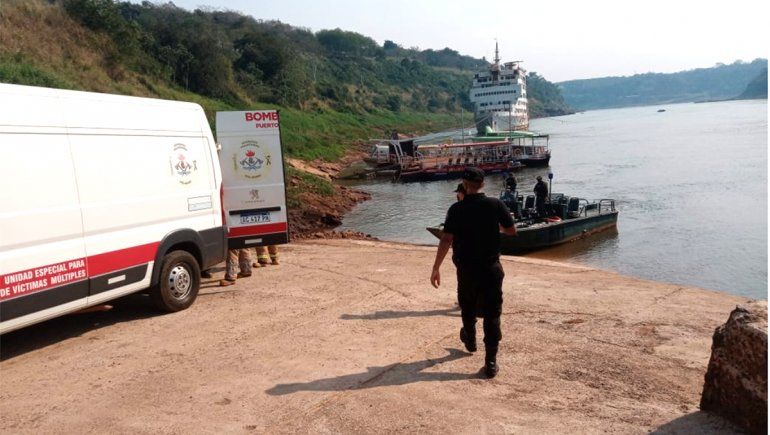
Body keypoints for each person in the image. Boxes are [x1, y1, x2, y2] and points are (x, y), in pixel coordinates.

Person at [431, 167, 517, 378]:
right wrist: (493, 229)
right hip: (491, 268)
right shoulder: (495, 204)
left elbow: (446, 239)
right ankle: (490, 362)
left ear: (465, 184)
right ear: (483, 184)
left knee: (467, 305)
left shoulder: (456, 209)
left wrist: (436, 268)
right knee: (492, 313)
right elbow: (511, 230)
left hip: (466, 269)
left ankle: (470, 340)